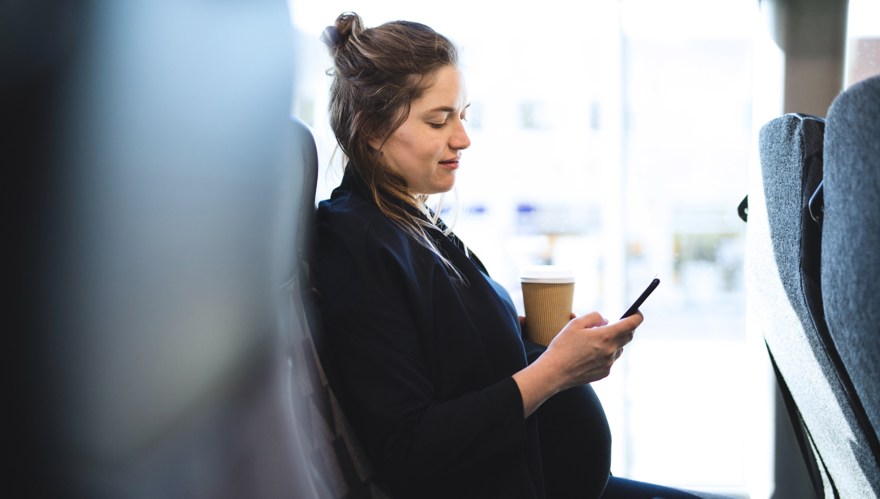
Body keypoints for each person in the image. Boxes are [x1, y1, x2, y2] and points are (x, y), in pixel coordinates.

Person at [312, 12, 714, 499]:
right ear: (372, 129)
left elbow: (439, 352)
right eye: (439, 120)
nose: (462, 138)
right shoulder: (355, 244)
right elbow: (409, 447)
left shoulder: (411, 222)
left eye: (463, 116)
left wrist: (525, 334)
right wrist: (555, 371)